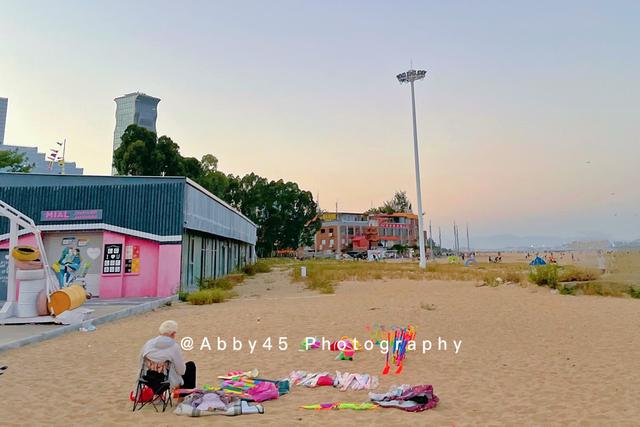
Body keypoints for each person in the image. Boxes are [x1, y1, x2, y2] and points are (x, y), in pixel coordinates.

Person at [140, 320, 197, 389]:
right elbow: (181, 371)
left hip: (147, 379)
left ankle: (156, 395)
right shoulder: (174, 346)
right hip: (166, 381)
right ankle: (182, 397)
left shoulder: (148, 343)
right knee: (190, 366)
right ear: (173, 333)